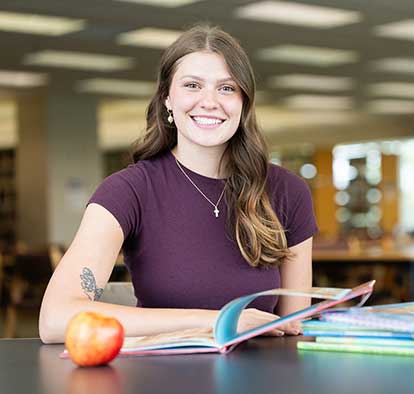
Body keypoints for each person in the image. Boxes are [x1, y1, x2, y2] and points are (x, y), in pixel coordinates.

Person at [39, 24, 318, 343]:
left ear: (244, 103)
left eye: (226, 88)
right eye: (192, 85)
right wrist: (220, 321)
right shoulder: (128, 191)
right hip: (159, 378)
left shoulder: (287, 192)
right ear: (167, 99)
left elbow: (295, 331)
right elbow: (54, 319)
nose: (210, 101)